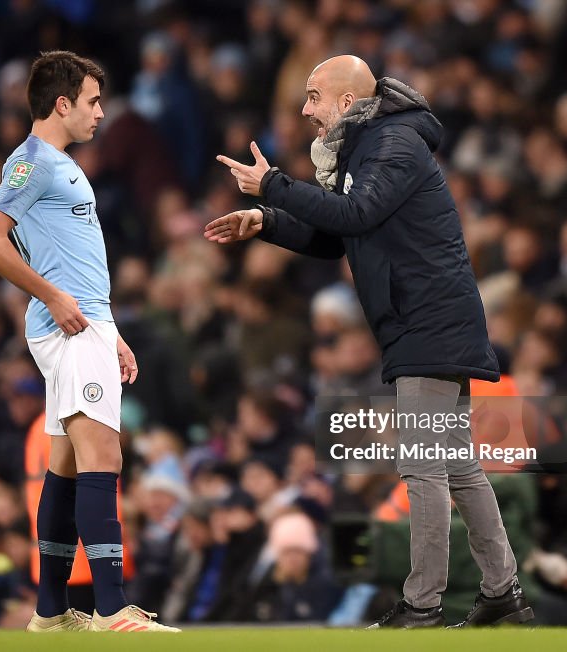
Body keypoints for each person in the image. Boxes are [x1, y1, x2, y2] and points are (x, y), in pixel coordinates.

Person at [206, 55, 531, 628]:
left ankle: (423, 604)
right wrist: (269, 221)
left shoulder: (393, 143)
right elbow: (339, 237)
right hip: (424, 320)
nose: (305, 110)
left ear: (348, 103)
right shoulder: (371, 147)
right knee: (455, 465)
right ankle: (502, 594)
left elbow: (357, 213)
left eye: (313, 97)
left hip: (426, 321)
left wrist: (276, 186)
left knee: (423, 465)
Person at [0, 50, 178, 633]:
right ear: (61, 104)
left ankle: (49, 612)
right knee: (102, 458)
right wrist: (55, 298)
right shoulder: (31, 163)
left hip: (89, 328)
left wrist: (110, 332)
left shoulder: (59, 163)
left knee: (64, 466)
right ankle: (112, 610)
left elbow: (76, 261)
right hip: (70, 328)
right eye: (91, 101)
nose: (100, 113)